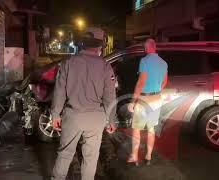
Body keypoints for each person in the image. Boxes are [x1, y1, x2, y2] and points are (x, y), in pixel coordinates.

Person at [50, 30, 117, 180]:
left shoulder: (68, 63)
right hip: (95, 118)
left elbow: (59, 91)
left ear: (83, 44)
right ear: (100, 46)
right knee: (91, 157)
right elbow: (110, 96)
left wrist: (55, 114)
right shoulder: (106, 67)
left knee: (65, 154)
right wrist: (111, 119)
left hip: (73, 116)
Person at [127, 38, 168, 166]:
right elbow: (164, 82)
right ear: (155, 47)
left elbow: (141, 83)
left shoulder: (144, 61)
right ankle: (148, 156)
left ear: (146, 47)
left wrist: (133, 101)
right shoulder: (163, 63)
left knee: (136, 129)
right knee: (151, 129)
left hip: (144, 99)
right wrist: (156, 92)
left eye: (144, 47)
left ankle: (134, 156)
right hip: (156, 99)